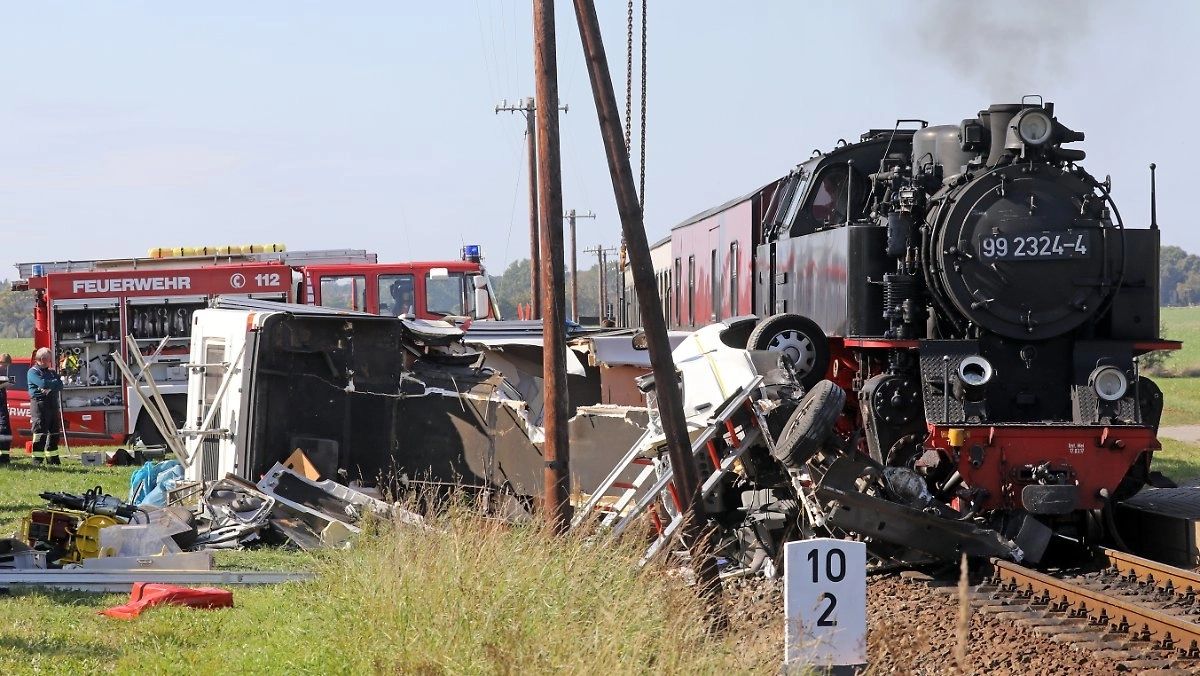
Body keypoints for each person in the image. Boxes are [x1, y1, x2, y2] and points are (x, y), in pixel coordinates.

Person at [28, 347, 63, 465]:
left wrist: (49, 386)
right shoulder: (33, 372)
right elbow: (42, 383)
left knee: (54, 432)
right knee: (40, 432)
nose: (50, 361)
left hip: (52, 404)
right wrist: (50, 384)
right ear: (42, 359)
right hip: (39, 404)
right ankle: (37, 460)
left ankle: (53, 459)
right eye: (49, 359)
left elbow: (60, 384)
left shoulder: (52, 372)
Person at [0, 353, 12, 464]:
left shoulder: (3, 372)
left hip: (3, 407)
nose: (5, 368)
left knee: (6, 432)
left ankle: (5, 457)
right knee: (3, 431)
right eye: (5, 365)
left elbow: (11, 381)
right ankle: (3, 458)